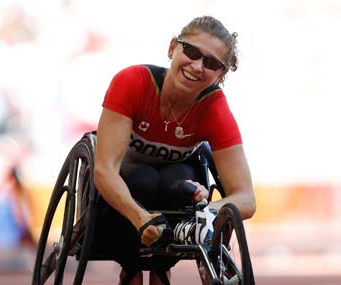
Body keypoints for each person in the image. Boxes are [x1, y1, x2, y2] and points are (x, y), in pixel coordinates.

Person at [94, 15, 256, 285]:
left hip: (174, 187)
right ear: (172, 48)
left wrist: (208, 211)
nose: (196, 66)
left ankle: (160, 269)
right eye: (191, 51)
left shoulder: (215, 109)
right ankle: (131, 269)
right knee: (143, 179)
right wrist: (141, 218)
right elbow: (103, 170)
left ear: (220, 75)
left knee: (180, 179)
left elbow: (247, 199)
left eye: (211, 63)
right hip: (124, 190)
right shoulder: (132, 82)